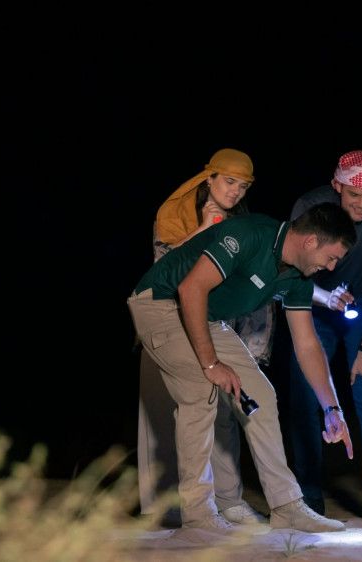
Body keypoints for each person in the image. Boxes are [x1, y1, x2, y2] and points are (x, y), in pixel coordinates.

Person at [127, 202, 357, 533]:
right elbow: (190, 288)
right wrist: (210, 363)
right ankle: (198, 514)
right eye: (332, 257)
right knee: (200, 389)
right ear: (310, 242)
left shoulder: (298, 277)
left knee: (261, 395)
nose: (331, 266)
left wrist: (332, 408)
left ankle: (287, 505)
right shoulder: (248, 234)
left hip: (204, 316)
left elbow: (307, 345)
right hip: (161, 303)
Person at [137, 148, 272, 526]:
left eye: (244, 186)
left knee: (225, 411)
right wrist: (204, 230)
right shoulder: (172, 213)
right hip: (168, 318)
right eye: (230, 182)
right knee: (174, 413)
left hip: (217, 322)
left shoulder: (240, 223)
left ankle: (228, 500)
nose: (236, 192)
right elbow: (162, 269)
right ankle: (175, 509)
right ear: (208, 178)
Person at [287, 149, 362, 526]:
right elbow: (291, 273)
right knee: (305, 396)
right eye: (353, 195)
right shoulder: (309, 205)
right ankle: (308, 497)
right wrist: (324, 297)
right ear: (336, 184)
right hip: (313, 302)